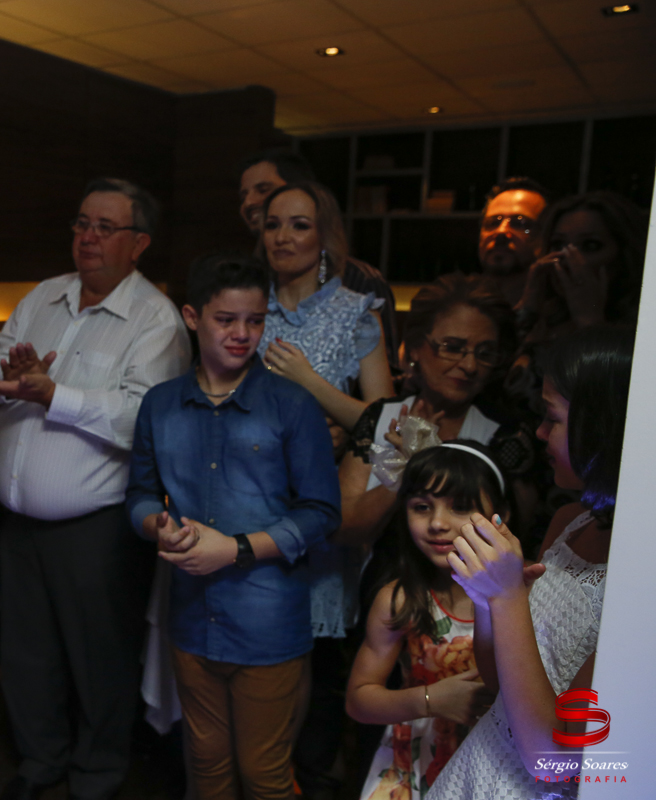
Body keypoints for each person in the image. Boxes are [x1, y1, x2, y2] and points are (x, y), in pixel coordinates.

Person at [0, 177, 191, 800]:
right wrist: (8, 378)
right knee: (26, 656)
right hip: (17, 524)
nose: (88, 238)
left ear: (138, 243)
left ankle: (96, 775)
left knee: (99, 660)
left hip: (94, 529)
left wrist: (52, 393)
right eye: (81, 224)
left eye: (105, 228)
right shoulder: (44, 295)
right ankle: (40, 762)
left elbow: (143, 419)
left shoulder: (155, 320)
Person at [127, 252, 340, 799]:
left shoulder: (291, 405)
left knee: (265, 774)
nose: (244, 334)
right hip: (192, 620)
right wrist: (159, 526)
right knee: (206, 767)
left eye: (256, 320)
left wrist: (237, 549)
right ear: (193, 318)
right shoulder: (161, 405)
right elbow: (141, 496)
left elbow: (322, 513)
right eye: (227, 320)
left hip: (267, 623)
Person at [429, 325, 633, 798]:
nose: (539, 433)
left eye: (552, 417)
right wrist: (488, 598)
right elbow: (503, 682)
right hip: (480, 765)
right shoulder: (570, 520)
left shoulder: (641, 573)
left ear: (604, 425)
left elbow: (553, 758)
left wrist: (508, 598)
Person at [250, 179, 393, 798]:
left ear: (324, 234)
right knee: (257, 654)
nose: (283, 236)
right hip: (249, 500)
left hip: (326, 508)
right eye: (273, 223)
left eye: (299, 224)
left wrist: (313, 385)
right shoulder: (248, 305)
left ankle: (302, 777)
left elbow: (390, 428)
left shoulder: (355, 311)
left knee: (314, 661)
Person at [336, 274, 537, 554]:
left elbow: (516, 540)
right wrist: (405, 465)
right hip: (373, 586)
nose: (469, 365)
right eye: (453, 347)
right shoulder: (380, 417)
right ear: (416, 346)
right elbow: (343, 528)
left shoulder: (505, 434)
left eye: (485, 353)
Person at [347, 444, 504, 800]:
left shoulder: (523, 595)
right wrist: (431, 700)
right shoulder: (400, 599)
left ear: (499, 515)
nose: (437, 523)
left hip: (493, 766)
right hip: (413, 768)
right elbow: (358, 700)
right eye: (421, 507)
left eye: (460, 507)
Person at [237, 150, 398, 367]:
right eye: (243, 195)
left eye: (263, 190)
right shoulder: (248, 283)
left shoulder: (359, 283)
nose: (249, 202)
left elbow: (383, 384)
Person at [507, 191, 648, 423]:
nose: (567, 257)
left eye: (590, 245)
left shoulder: (640, 332)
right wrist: (529, 305)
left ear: (622, 255)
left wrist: (589, 319)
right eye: (558, 244)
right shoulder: (542, 317)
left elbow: (614, 409)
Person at [475, 177, 550, 308]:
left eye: (520, 223)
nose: (501, 231)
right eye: (493, 222)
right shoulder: (456, 309)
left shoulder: (561, 318)